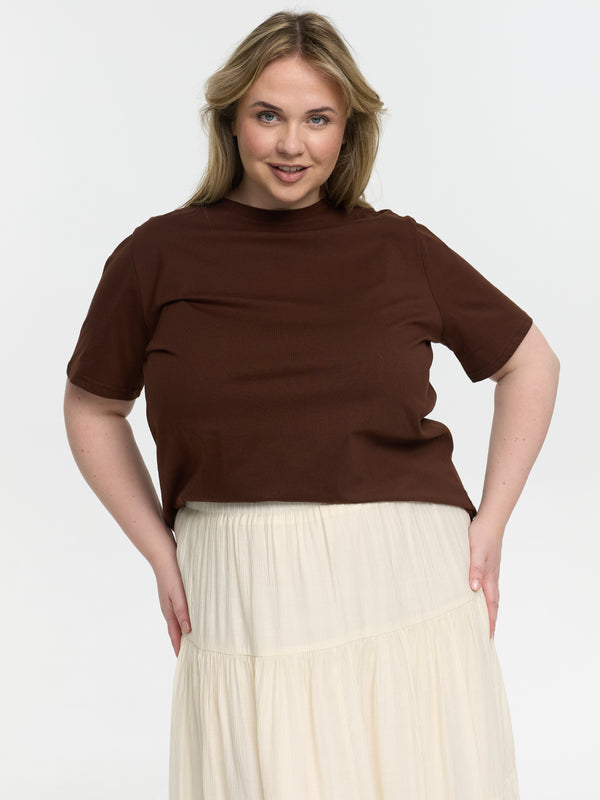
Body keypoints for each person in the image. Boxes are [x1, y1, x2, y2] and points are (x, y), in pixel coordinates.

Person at [63, 10, 559, 800]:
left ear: (347, 129)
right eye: (269, 115)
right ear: (231, 120)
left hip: (410, 582)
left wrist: (491, 524)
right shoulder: (158, 255)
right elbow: (92, 409)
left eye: (318, 119)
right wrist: (160, 551)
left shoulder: (399, 249)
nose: (292, 144)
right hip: (244, 589)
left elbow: (531, 362)